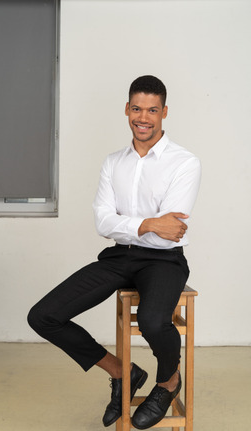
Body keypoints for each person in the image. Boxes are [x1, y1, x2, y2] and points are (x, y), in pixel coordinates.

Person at [27, 75, 201, 429]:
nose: (144, 117)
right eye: (137, 108)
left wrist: (135, 223)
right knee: (43, 316)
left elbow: (171, 233)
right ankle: (124, 371)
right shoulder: (113, 163)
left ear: (164, 112)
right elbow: (103, 223)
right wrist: (149, 224)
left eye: (152, 110)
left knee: (154, 321)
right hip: (120, 256)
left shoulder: (185, 162)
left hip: (165, 260)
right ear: (127, 110)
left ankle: (168, 380)